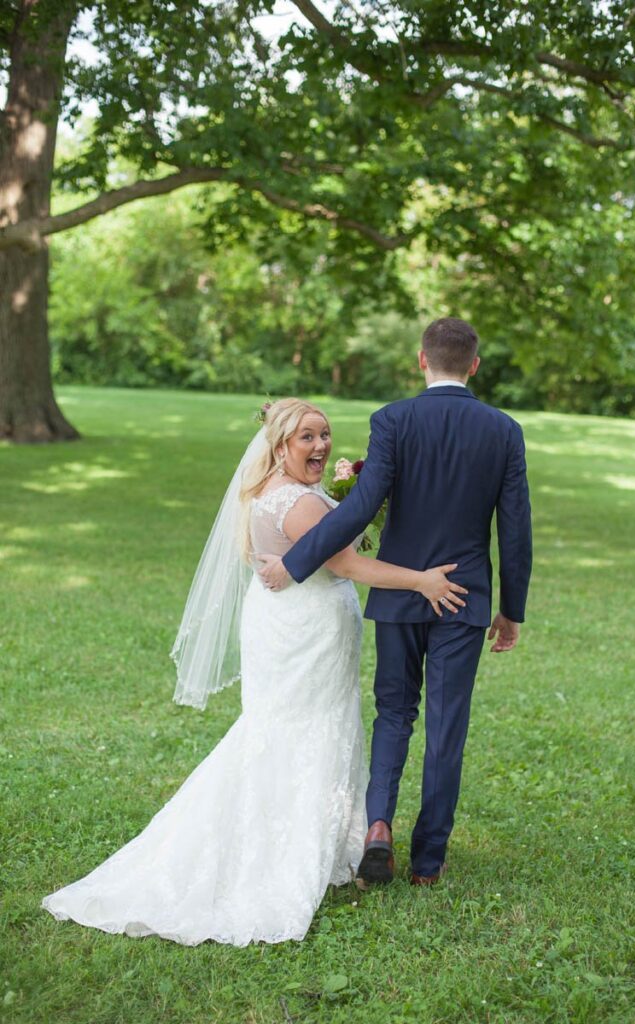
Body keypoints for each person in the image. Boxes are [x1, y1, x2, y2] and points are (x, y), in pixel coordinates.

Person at [41, 398, 465, 946]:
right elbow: (347, 564)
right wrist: (423, 581)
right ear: (280, 445)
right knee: (302, 730)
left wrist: (343, 499)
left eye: (325, 435)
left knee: (290, 730)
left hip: (284, 623)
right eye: (306, 438)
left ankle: (311, 836)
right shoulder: (299, 505)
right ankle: (278, 853)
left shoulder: (271, 493)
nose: (320, 447)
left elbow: (304, 549)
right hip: (305, 633)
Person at [259, 319, 533, 887]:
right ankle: (428, 861)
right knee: (446, 726)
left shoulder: (393, 420)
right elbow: (515, 530)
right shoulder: (504, 430)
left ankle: (378, 826)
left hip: (398, 594)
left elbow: (360, 507)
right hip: (465, 596)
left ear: (421, 361)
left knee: (394, 714)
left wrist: (295, 561)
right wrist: (511, 609)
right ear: (474, 365)